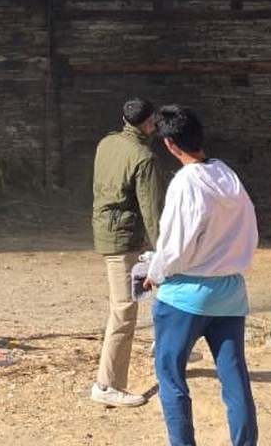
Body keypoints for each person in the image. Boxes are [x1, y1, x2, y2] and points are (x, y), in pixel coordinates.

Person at [143, 105, 259, 446]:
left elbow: (175, 246)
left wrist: (155, 273)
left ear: (168, 144)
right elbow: (249, 229)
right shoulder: (228, 176)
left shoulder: (185, 183)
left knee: (171, 375)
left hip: (186, 296)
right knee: (235, 377)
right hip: (231, 292)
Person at [90, 96, 163, 408]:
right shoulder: (143, 157)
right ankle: (107, 384)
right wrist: (164, 248)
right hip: (124, 239)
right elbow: (152, 210)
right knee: (124, 310)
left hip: (110, 231)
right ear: (148, 122)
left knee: (140, 296)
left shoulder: (107, 143)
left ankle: (166, 349)